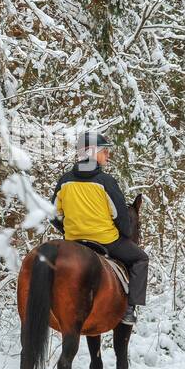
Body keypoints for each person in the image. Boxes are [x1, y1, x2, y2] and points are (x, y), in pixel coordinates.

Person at [51, 131, 148, 326]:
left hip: (73, 241)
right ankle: (129, 310)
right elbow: (120, 216)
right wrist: (126, 234)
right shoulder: (106, 182)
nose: (108, 155)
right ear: (92, 152)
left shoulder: (65, 180)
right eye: (104, 151)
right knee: (141, 258)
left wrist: (68, 231)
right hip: (106, 240)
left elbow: (52, 214)